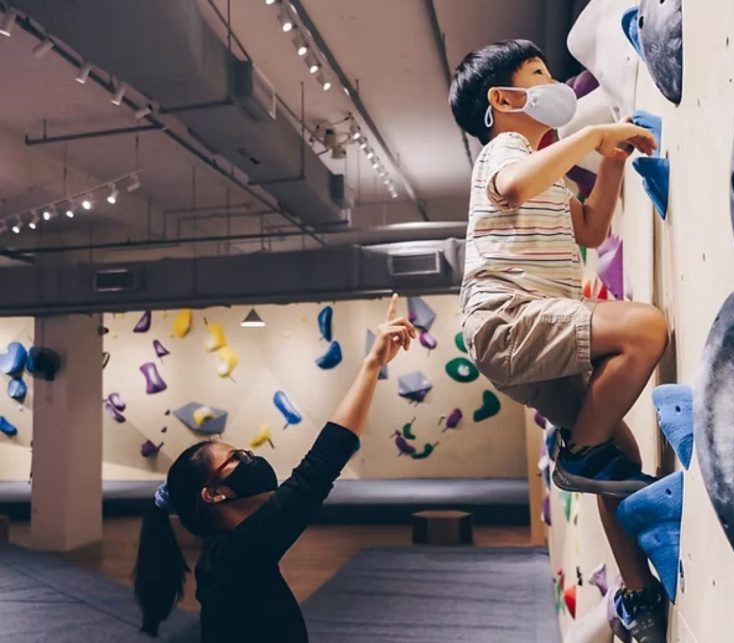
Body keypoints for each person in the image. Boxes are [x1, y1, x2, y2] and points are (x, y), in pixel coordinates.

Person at [450, 39, 669, 641]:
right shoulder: (504, 152)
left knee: (616, 456)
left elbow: (593, 229)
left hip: (530, 327)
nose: (555, 85)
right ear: (503, 99)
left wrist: (612, 162)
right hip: (509, 319)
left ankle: (638, 596)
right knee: (646, 328)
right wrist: (591, 137)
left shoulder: (544, 170)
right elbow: (514, 188)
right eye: (540, 75)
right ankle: (578, 454)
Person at [133, 295, 417, 643]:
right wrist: (372, 364)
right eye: (236, 458)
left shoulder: (229, 554)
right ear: (214, 493)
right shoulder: (236, 555)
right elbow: (317, 471)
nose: (249, 460)